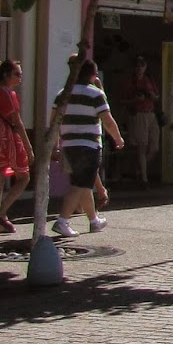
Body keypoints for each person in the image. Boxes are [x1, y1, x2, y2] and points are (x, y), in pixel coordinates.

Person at [52, 58, 125, 238]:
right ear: (93, 74)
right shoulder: (95, 94)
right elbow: (107, 120)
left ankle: (94, 220)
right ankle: (62, 221)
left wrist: (55, 145)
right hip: (89, 145)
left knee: (83, 182)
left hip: (68, 144)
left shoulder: (63, 94)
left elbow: (54, 121)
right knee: (81, 183)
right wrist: (118, 138)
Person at [0, 58, 34, 236]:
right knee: (24, 177)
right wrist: (28, 147)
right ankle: (2, 213)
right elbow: (17, 122)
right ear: (6, 75)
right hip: (8, 139)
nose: (20, 77)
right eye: (17, 74)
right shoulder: (7, 93)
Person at [123, 54, 160, 186]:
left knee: (154, 147)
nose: (140, 68)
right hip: (138, 114)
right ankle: (144, 179)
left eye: (142, 65)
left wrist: (152, 95)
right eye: (137, 65)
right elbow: (123, 101)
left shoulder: (149, 80)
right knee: (142, 147)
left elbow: (156, 97)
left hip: (151, 114)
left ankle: (139, 170)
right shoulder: (130, 82)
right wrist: (135, 100)